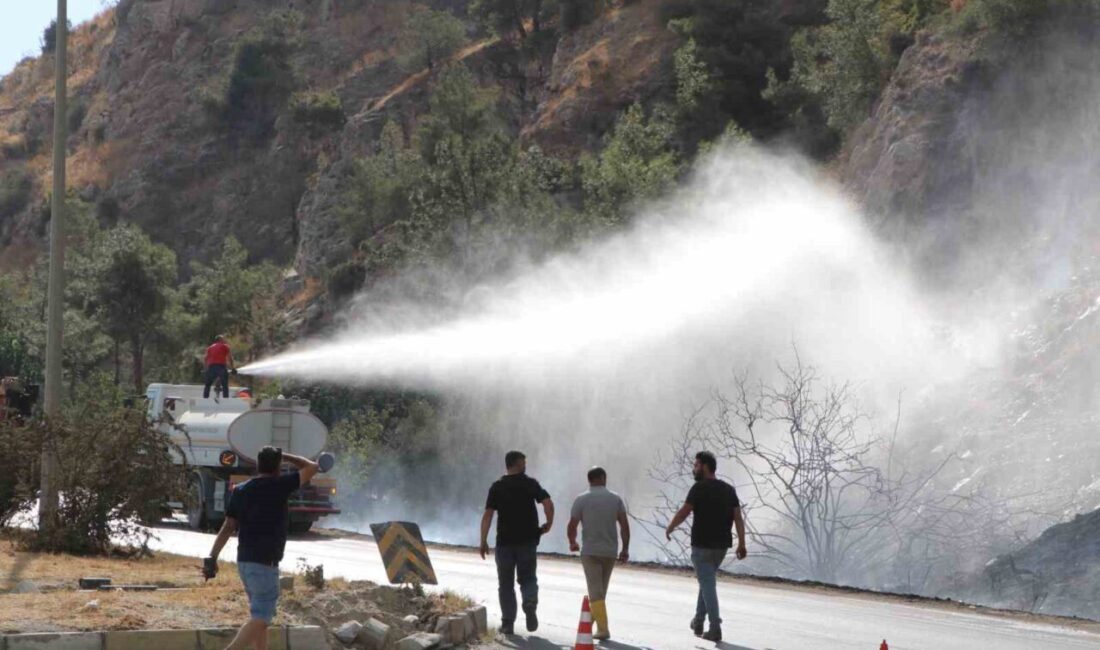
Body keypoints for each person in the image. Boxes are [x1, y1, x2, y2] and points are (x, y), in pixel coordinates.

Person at [204, 446, 319, 650]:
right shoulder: (280, 485)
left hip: (244, 563)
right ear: (278, 466)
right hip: (265, 564)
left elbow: (228, 526)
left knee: (258, 616)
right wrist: (286, 455)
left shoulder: (241, 490)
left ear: (258, 465)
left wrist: (213, 557)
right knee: (262, 618)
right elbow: (312, 467)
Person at [665, 451, 747, 642]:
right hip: (721, 547)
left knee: (708, 584)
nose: (694, 469)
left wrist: (670, 527)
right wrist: (742, 543)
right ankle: (698, 621)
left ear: (705, 466)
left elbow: (684, 512)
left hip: (702, 546)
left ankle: (715, 626)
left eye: (696, 465)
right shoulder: (728, 490)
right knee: (706, 582)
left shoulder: (698, 488)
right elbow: (738, 518)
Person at [480, 450, 555, 636]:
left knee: (505, 584)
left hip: (504, 543)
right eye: (523, 462)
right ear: (516, 463)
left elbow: (488, 515)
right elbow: (547, 503)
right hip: (527, 542)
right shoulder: (530, 483)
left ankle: (507, 623)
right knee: (528, 578)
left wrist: (483, 540)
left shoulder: (497, 486)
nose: (525, 465)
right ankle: (529, 603)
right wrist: (549, 524)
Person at [567, 466, 630, 641]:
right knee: (600, 592)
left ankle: (603, 629)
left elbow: (572, 525)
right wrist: (625, 549)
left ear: (589, 480)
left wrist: (572, 542)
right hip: (610, 552)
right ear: (603, 478)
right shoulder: (615, 499)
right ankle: (588, 625)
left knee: (596, 593)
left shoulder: (581, 499)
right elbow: (624, 526)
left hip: (590, 552)